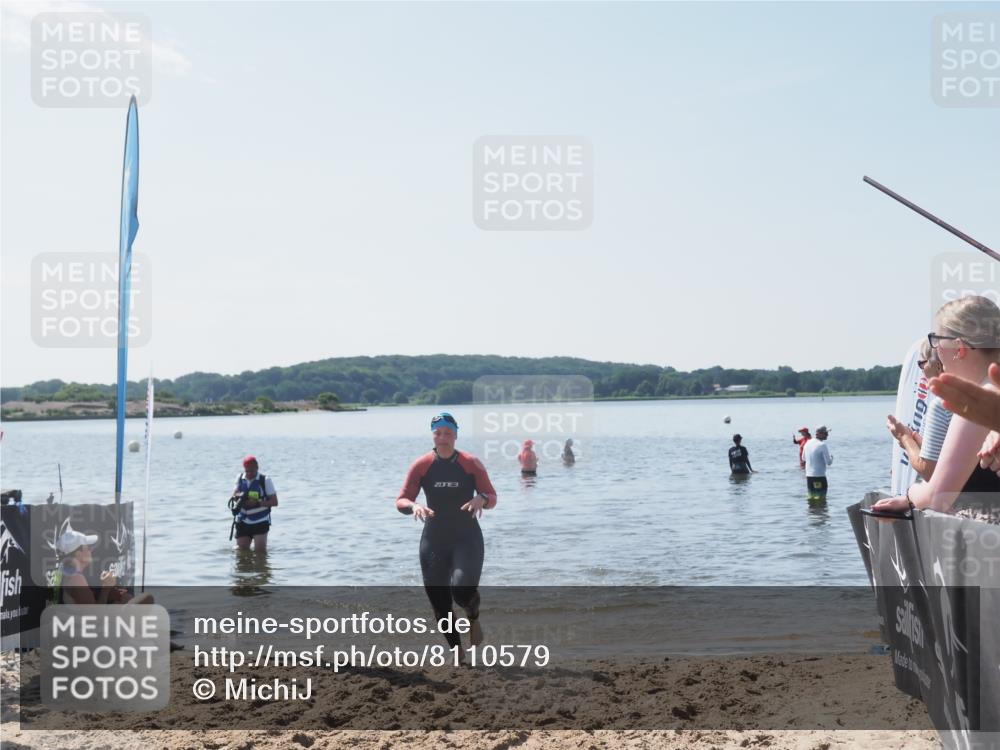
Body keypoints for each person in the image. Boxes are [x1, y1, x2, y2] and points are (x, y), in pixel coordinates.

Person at [873, 295, 1000, 515]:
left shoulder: (974, 401)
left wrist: (911, 493)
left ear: (959, 348)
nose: (936, 351)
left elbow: (938, 498)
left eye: (937, 340)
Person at [396, 412, 497, 656]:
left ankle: (473, 617)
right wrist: (414, 506)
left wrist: (480, 498)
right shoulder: (421, 465)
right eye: (438, 433)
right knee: (440, 605)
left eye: (448, 433)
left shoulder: (471, 462)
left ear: (456, 435)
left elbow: (492, 497)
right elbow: (401, 500)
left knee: (462, 591)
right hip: (434, 541)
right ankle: (457, 651)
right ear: (433, 435)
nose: (443, 438)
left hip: (467, 538)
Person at [886, 346, 951, 481]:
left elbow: (928, 471)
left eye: (922, 364)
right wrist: (917, 445)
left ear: (939, 366)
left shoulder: (942, 405)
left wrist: (904, 437)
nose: (921, 371)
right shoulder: (971, 399)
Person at [52, 528, 152, 605]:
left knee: (125, 598)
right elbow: (95, 616)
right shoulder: (77, 579)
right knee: (146, 599)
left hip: (79, 622)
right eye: (87, 548)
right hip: (87, 627)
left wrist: (110, 592)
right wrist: (106, 589)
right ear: (78, 554)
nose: (91, 550)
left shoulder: (67, 573)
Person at [232, 455, 277, 552]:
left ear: (257, 467)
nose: (249, 473)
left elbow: (274, 502)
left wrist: (258, 503)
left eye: (252, 471)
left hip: (260, 521)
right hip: (243, 521)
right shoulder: (239, 478)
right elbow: (234, 494)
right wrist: (238, 497)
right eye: (247, 471)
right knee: (241, 552)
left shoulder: (265, 480)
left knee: (260, 553)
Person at [802, 426, 833, 500]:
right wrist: (832, 457)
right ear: (820, 434)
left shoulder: (807, 443)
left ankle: (812, 512)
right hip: (819, 477)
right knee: (821, 499)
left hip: (809, 477)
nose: (827, 435)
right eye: (826, 433)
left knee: (812, 498)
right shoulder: (822, 445)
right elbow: (829, 462)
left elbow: (803, 458)